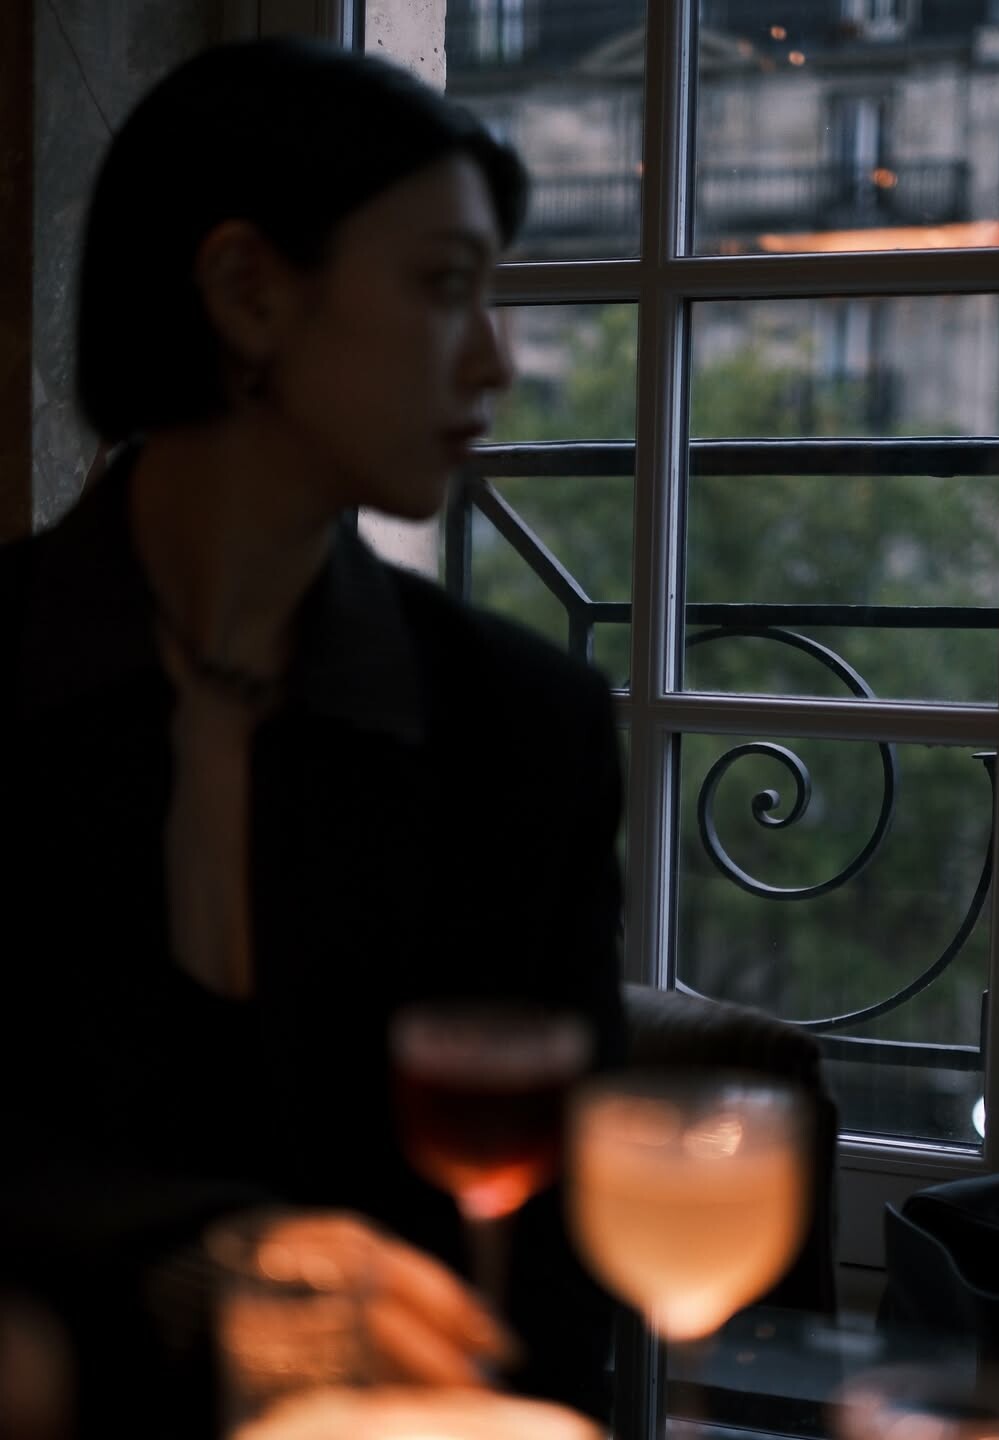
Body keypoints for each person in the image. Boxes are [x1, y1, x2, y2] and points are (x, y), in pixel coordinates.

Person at [0, 37, 623, 1437]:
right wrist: (211, 1257)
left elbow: (555, 1275)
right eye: (445, 288)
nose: (497, 360)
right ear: (247, 292)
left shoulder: (524, 729)